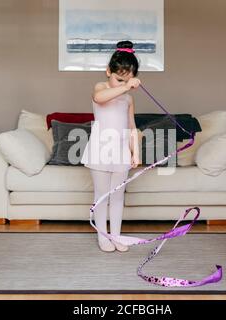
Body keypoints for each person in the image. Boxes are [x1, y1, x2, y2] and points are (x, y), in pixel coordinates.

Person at [80, 40, 141, 253]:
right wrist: (125, 85)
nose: (122, 83)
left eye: (127, 79)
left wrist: (135, 152)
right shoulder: (101, 88)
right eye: (118, 78)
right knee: (102, 195)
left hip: (121, 151)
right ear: (108, 72)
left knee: (117, 197)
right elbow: (99, 98)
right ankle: (102, 236)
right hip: (100, 149)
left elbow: (132, 127)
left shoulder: (128, 99)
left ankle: (116, 236)